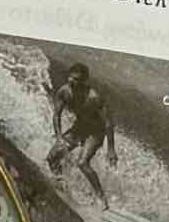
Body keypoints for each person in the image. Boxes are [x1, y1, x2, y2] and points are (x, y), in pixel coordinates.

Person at [47, 60, 118, 204]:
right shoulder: (64, 92)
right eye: (70, 77)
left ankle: (101, 196)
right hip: (79, 128)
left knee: (82, 163)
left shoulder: (94, 97)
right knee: (52, 157)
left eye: (77, 79)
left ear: (85, 81)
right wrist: (60, 136)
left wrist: (111, 149)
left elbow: (109, 124)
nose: (72, 81)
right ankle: (62, 183)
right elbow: (56, 115)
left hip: (96, 132)